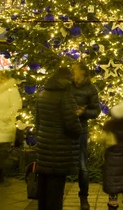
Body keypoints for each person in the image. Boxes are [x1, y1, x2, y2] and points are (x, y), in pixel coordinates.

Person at [35, 67, 82, 210]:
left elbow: (38, 121)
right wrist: (78, 131)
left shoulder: (42, 94)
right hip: (59, 152)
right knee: (56, 193)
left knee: (43, 190)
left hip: (44, 149)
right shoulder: (65, 96)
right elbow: (72, 125)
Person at [70, 63, 101, 210]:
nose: (76, 79)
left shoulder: (91, 89)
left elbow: (96, 111)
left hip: (81, 130)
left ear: (85, 76)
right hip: (66, 129)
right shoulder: (67, 86)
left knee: (82, 166)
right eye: (74, 75)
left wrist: (83, 113)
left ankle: (84, 197)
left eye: (79, 76)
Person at [103, 102, 123, 210]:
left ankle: (113, 205)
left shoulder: (109, 127)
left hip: (112, 158)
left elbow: (106, 140)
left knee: (113, 187)